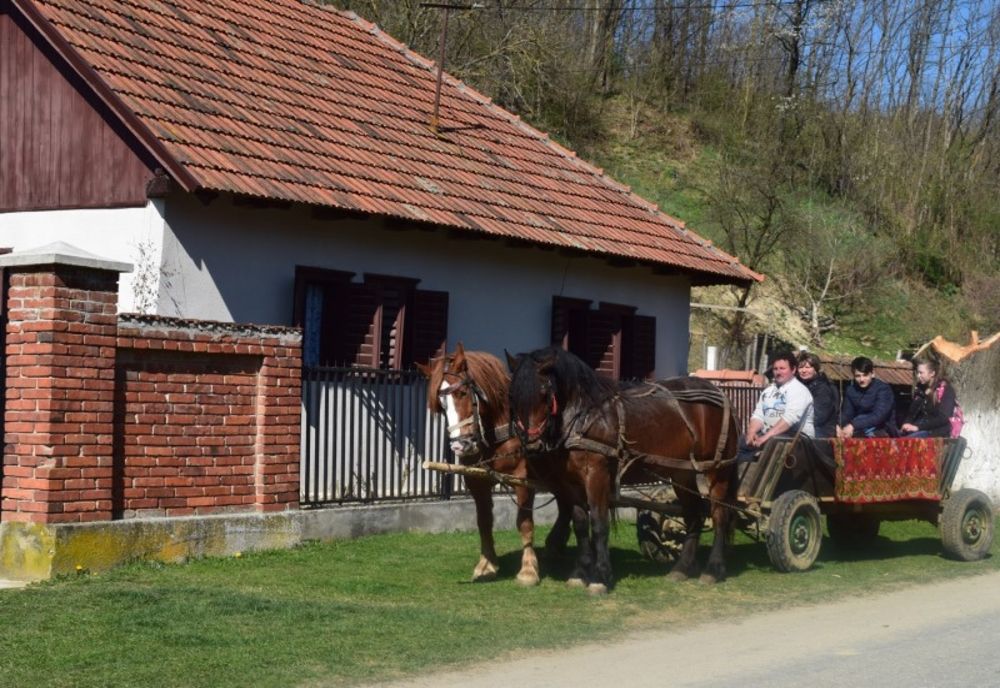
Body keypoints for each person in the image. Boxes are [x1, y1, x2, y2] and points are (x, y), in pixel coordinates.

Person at [738, 351, 815, 460]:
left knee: (773, 446)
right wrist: (751, 433)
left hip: (797, 441)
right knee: (735, 444)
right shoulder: (768, 391)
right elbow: (758, 415)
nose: (778, 372)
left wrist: (764, 438)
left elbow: (789, 419)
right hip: (771, 438)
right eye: (775, 369)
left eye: (782, 368)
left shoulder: (799, 391)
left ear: (793, 370)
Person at [837, 356, 897, 438]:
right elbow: (847, 413)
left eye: (865, 375)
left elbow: (878, 416)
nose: (861, 379)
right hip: (859, 427)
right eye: (858, 376)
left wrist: (853, 425)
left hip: (882, 429)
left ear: (872, 374)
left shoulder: (884, 390)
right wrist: (838, 424)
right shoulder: (851, 390)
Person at [900, 358, 957, 438]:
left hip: (936, 433)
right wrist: (907, 423)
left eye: (921, 373)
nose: (918, 376)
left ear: (932, 373)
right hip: (920, 428)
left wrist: (918, 427)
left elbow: (944, 418)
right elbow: (911, 413)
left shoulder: (946, 390)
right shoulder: (921, 389)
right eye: (917, 372)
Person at [796, 352, 839, 438]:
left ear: (815, 369)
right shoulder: (798, 385)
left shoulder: (823, 388)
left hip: (821, 430)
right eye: (800, 367)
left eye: (808, 367)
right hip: (801, 425)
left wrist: (793, 422)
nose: (804, 371)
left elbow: (818, 417)